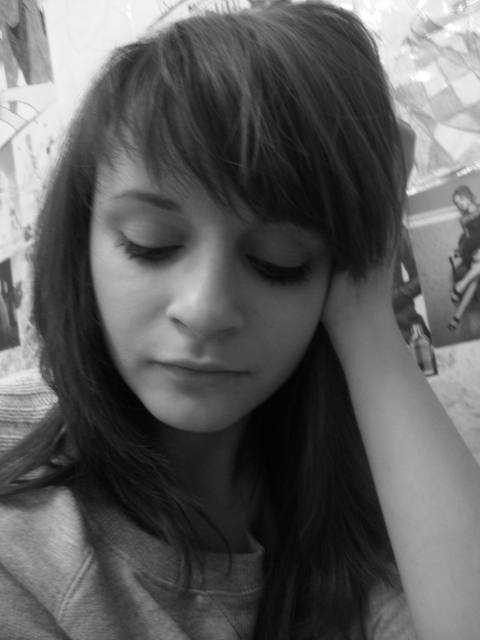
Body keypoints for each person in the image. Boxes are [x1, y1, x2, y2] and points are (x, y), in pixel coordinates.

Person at [1, 3, 480, 639]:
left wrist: (366, 307)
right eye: (150, 244)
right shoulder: (24, 537)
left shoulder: (359, 480)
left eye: (278, 262)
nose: (204, 311)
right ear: (81, 239)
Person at [448, 185, 480, 329]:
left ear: (467, 196)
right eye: (457, 202)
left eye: (460, 199)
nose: (459, 204)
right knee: (475, 278)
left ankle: (457, 315)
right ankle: (459, 289)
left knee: (474, 280)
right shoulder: (464, 220)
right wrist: (458, 252)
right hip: (477, 253)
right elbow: (469, 240)